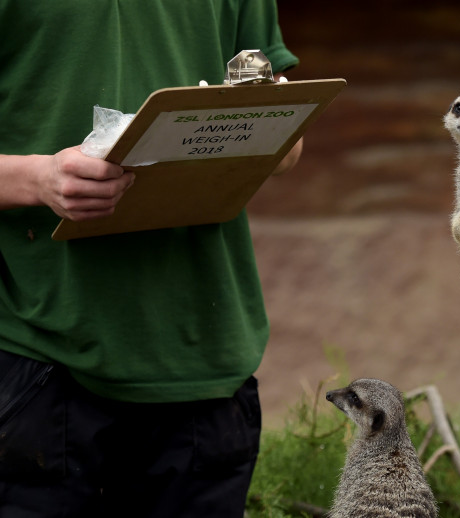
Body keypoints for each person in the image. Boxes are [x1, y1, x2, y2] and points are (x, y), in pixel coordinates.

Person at [0, 1, 302, 516]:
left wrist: (254, 116)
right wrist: (38, 177)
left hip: (206, 362)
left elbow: (289, 147)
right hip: (40, 358)